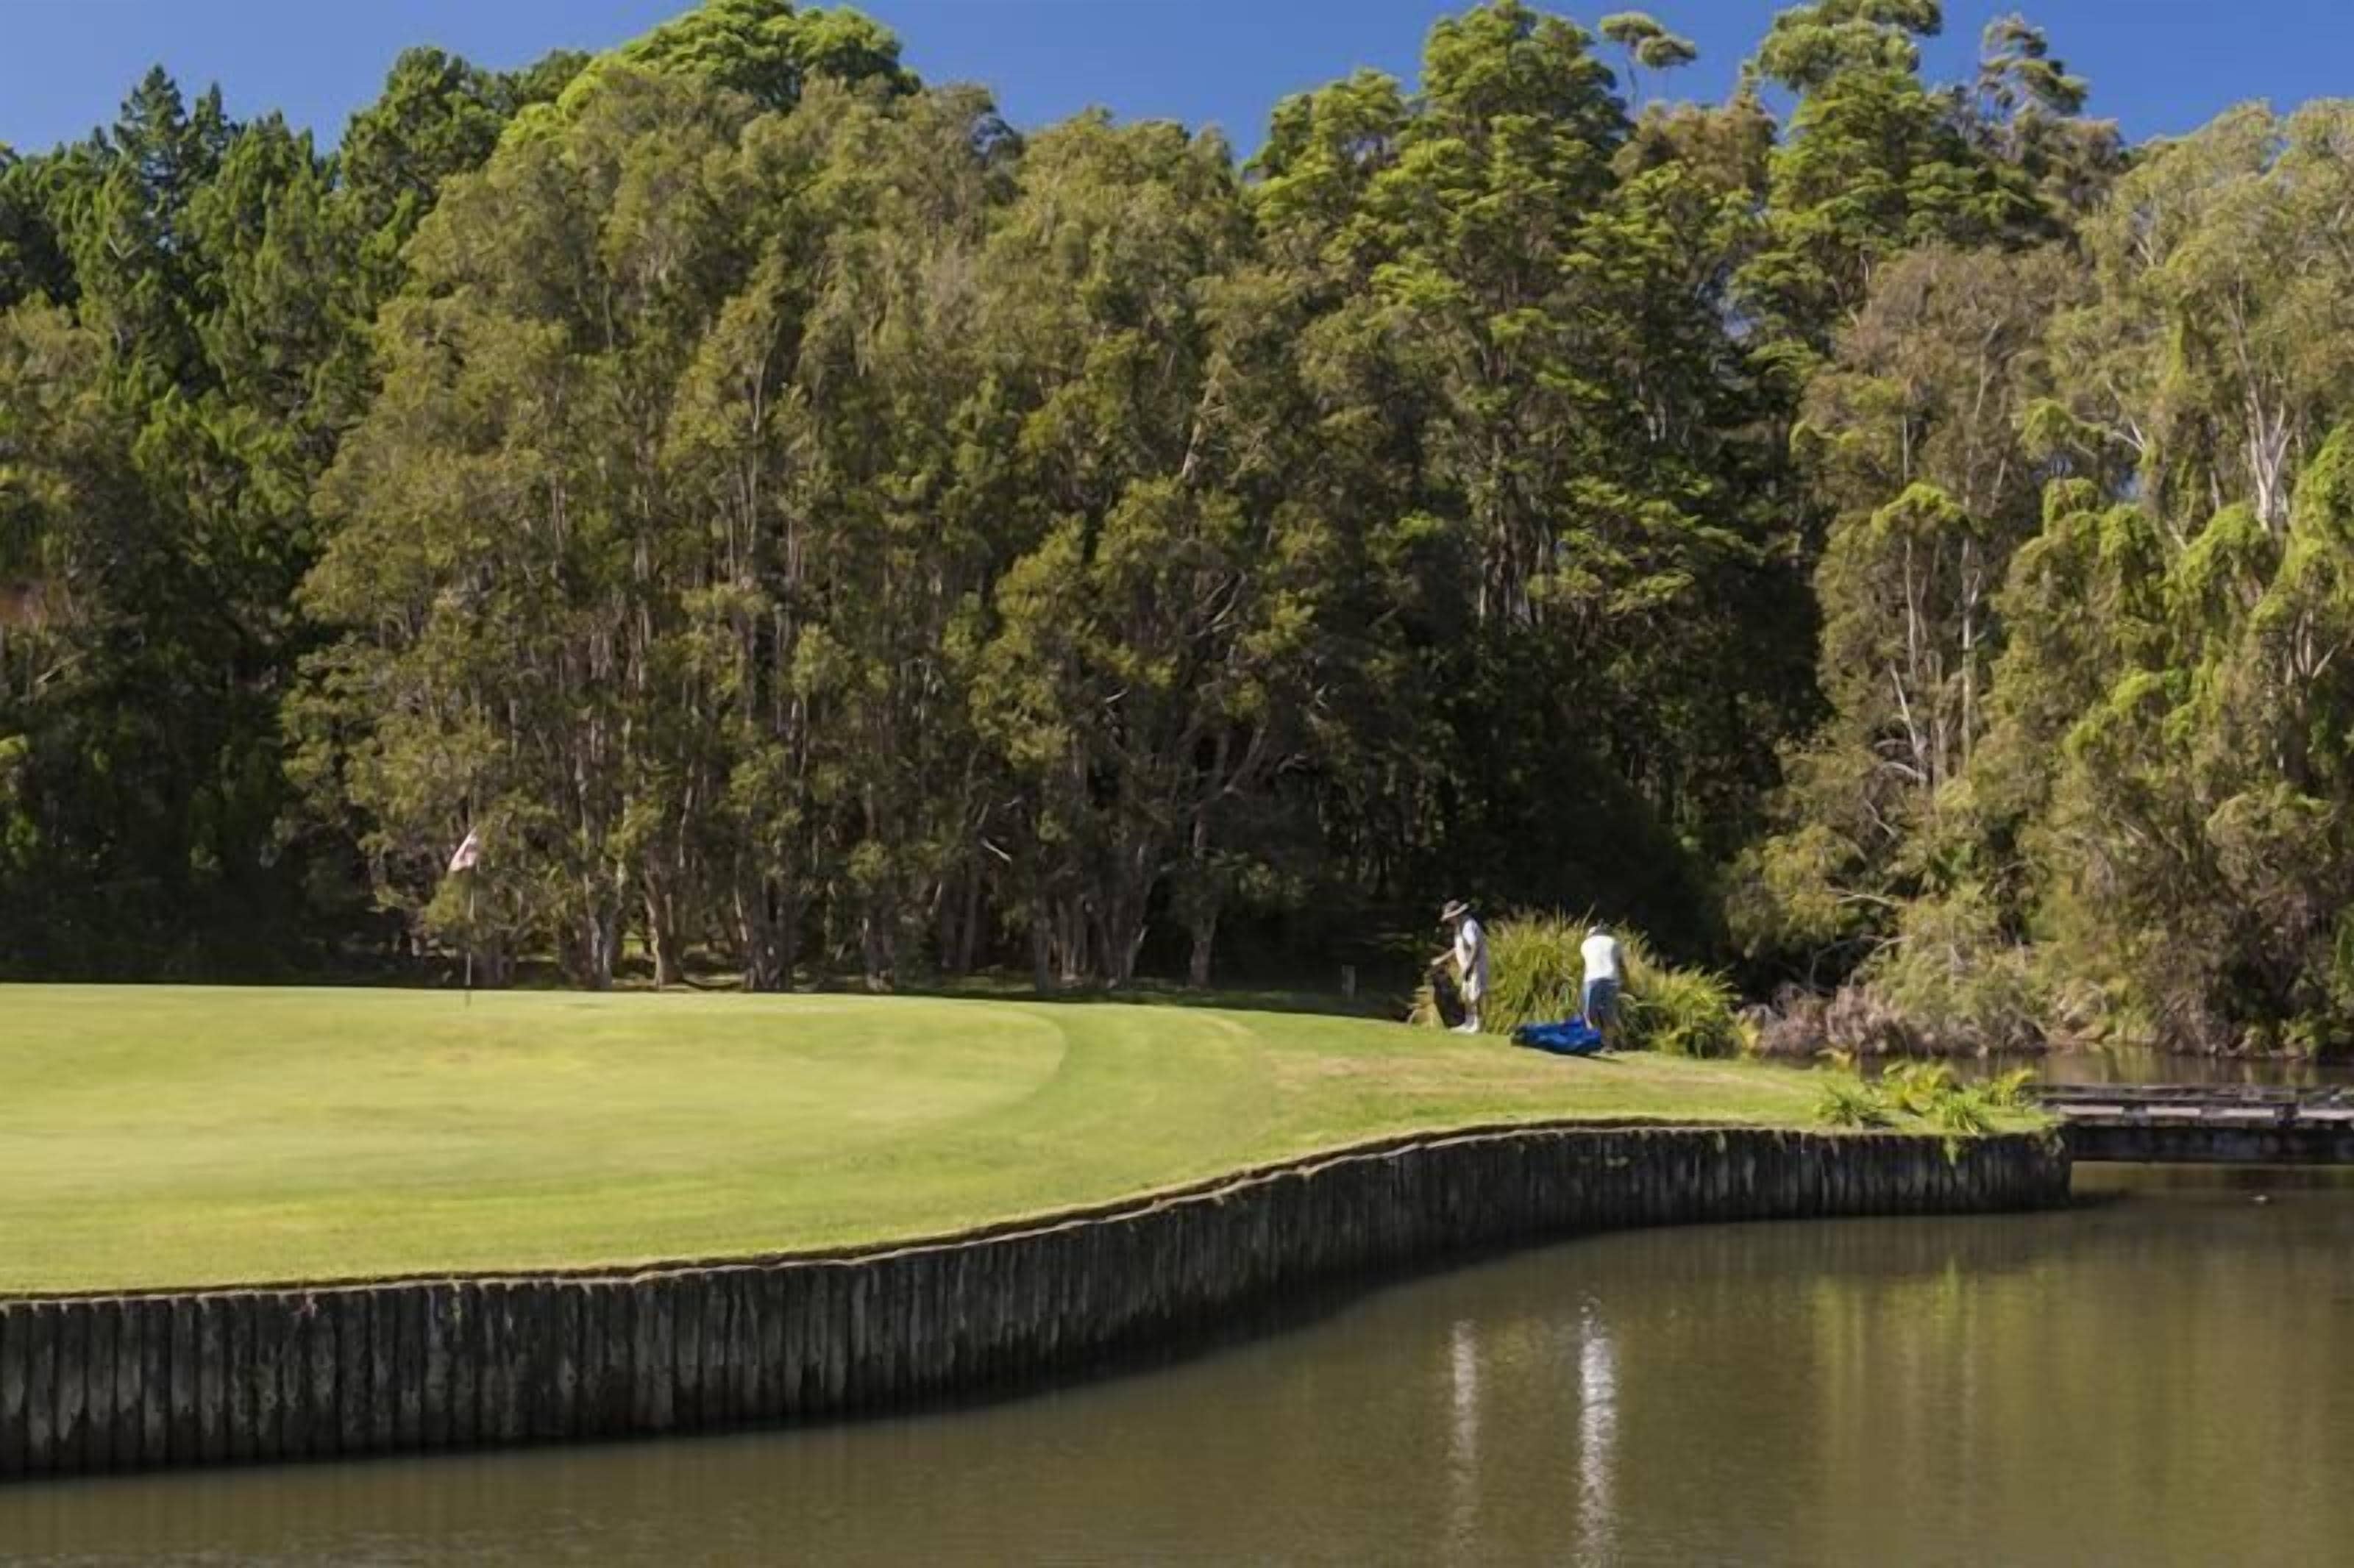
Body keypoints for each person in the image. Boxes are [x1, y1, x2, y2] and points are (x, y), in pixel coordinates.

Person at [1436, 901, 1489, 1035]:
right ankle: (1469, 1022)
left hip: (1476, 966)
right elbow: (1458, 947)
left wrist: (1469, 967)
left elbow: (1475, 947)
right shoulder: (1459, 927)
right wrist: (1443, 958)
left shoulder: (1468, 926)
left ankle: (1477, 1025)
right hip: (1467, 966)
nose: (1449, 921)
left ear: (1457, 915)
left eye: (1450, 917)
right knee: (1467, 996)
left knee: (1474, 996)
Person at [1581, 922, 1623, 1036]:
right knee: (1609, 1014)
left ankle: (1592, 1039)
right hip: (1612, 978)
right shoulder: (1615, 942)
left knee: (1590, 1014)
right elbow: (1621, 965)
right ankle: (1609, 1045)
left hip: (1592, 979)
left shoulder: (1586, 944)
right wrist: (1627, 984)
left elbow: (1587, 965)